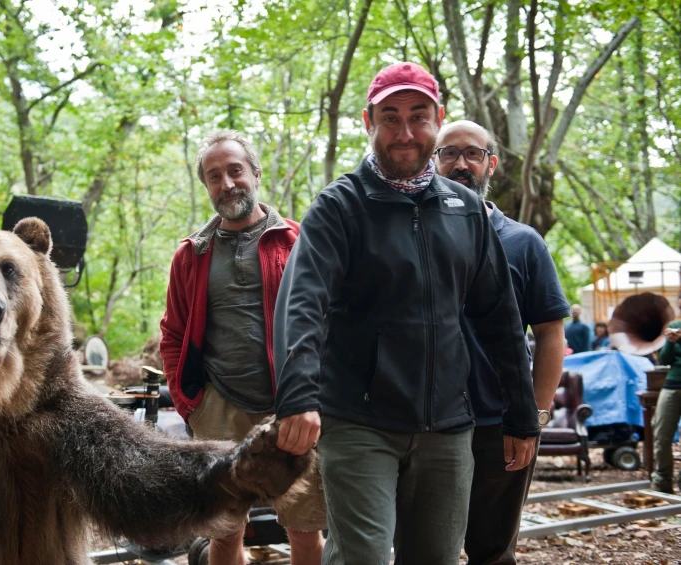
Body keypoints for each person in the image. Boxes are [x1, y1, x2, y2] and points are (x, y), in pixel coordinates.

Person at [272, 62, 539, 565]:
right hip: (359, 418)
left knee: (437, 556)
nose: (405, 132)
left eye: (418, 117)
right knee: (365, 556)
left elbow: (500, 316)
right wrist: (298, 396)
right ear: (368, 121)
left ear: (438, 120)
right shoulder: (340, 207)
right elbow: (304, 304)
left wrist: (522, 412)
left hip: (448, 426)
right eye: (389, 117)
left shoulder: (464, 209)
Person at [159, 130, 326, 565]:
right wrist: (190, 403)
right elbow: (173, 334)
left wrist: (315, 395)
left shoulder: (298, 241)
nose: (227, 183)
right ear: (207, 187)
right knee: (223, 531)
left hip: (292, 405)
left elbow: (329, 321)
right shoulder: (191, 255)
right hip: (218, 406)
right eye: (214, 176)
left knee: (304, 529)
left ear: (255, 172)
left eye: (235, 170)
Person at [434, 120, 570, 565]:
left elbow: (550, 334)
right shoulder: (413, 238)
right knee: (423, 546)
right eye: (448, 153)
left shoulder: (523, 242)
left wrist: (536, 411)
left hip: (500, 424)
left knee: (491, 551)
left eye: (472, 154)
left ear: (491, 164)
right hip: (424, 421)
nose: (460, 163)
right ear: (432, 163)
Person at [652, 295, 681, 493]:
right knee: (661, 434)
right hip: (672, 384)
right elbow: (664, 359)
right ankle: (662, 483)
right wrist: (670, 342)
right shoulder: (675, 325)